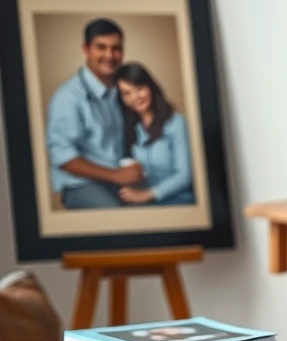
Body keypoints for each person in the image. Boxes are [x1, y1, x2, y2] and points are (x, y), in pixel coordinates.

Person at [45, 18, 144, 208]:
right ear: (85, 49)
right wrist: (116, 175)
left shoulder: (123, 90)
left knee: (166, 202)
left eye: (116, 48)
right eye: (101, 47)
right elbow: (62, 157)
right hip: (80, 184)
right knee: (120, 219)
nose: (110, 55)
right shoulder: (68, 97)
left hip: (115, 178)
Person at [114, 63, 195, 205]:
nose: (135, 97)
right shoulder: (131, 129)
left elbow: (185, 175)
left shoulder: (176, 123)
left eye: (139, 88)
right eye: (127, 93)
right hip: (148, 206)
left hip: (179, 201)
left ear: (150, 87)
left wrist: (147, 194)